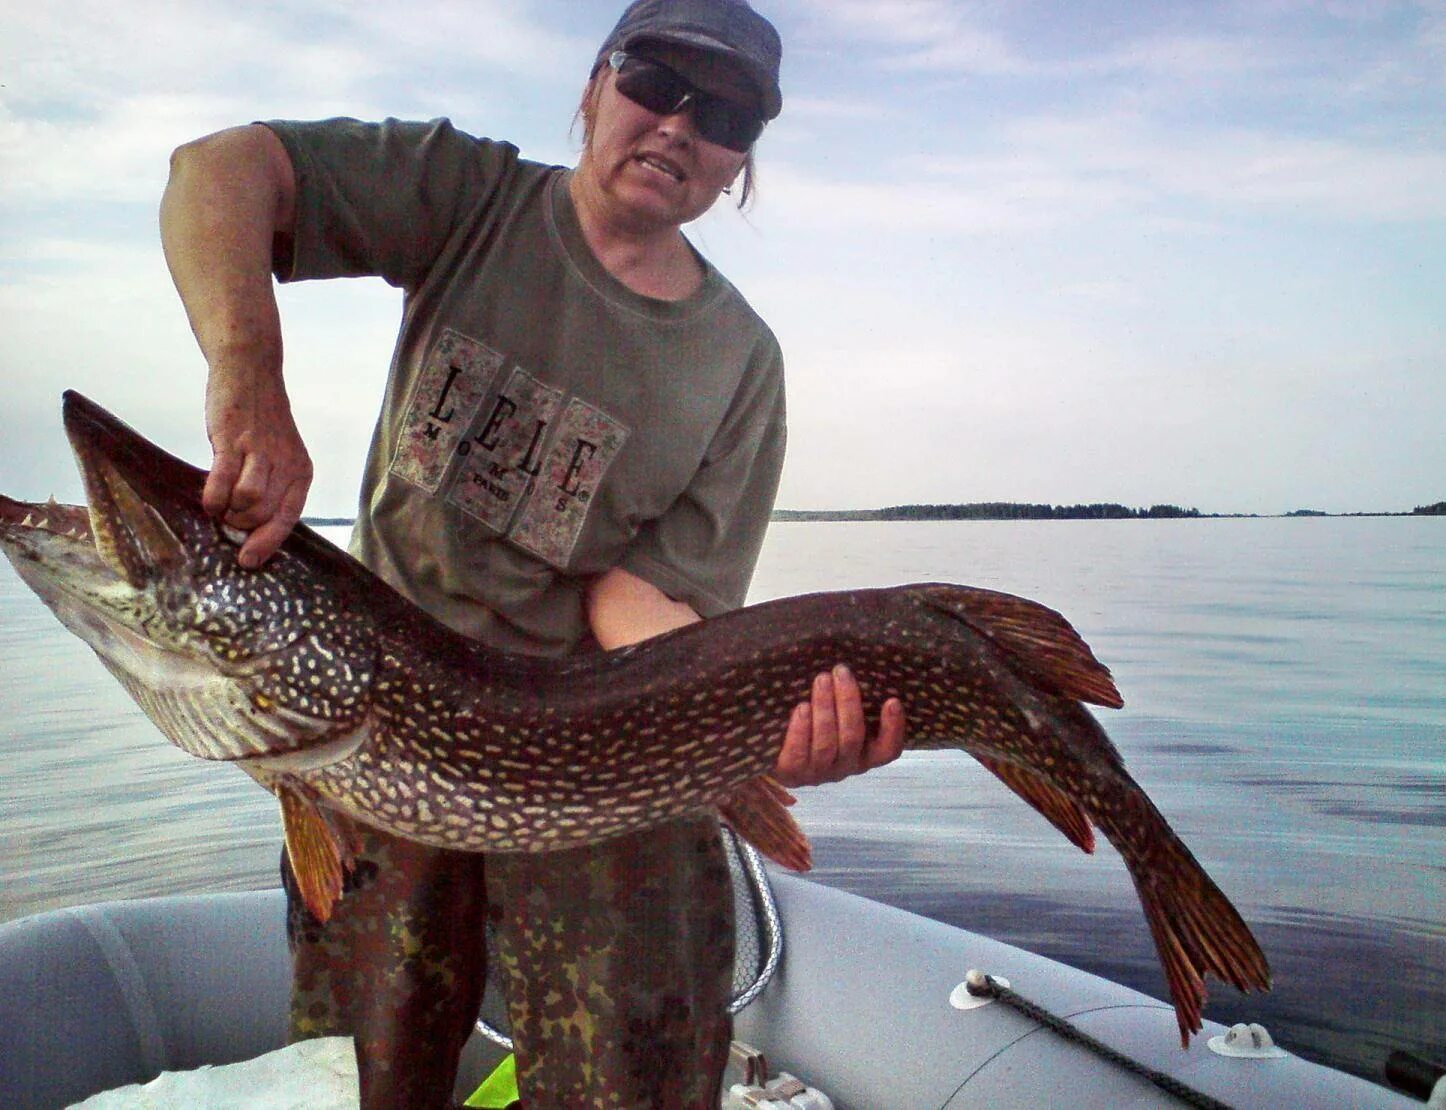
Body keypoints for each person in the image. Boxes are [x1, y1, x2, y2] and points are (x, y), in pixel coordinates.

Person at [159, 1, 906, 1105]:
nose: (678, 125)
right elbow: (215, 172)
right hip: (380, 704)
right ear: (597, 85)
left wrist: (758, 734)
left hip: (601, 735)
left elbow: (639, 598)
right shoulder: (470, 197)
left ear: (745, 156)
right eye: (658, 81)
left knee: (637, 1068)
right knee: (358, 1075)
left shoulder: (738, 361)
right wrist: (247, 371)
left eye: (728, 111)